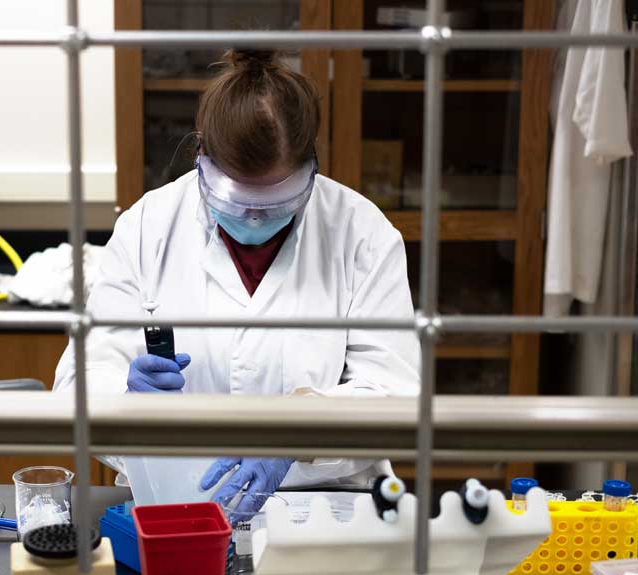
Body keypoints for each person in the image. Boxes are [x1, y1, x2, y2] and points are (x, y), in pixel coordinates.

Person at [54, 48, 420, 513]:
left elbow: (395, 396)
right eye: (234, 196)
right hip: (175, 506)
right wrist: (125, 400)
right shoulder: (148, 225)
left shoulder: (362, 234)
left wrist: (295, 433)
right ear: (201, 155)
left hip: (326, 506)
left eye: (276, 199)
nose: (253, 215)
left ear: (311, 167)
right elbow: (78, 383)